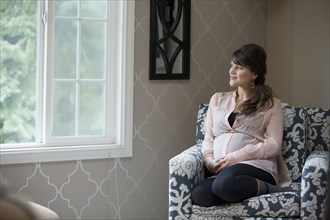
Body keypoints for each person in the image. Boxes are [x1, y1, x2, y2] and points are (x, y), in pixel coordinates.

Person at [191, 43, 291, 207]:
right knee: (199, 194)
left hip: (256, 167)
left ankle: (271, 189)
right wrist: (209, 161)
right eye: (232, 66)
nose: (231, 71)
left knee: (222, 185)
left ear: (254, 74)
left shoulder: (271, 104)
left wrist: (236, 157)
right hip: (224, 171)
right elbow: (208, 138)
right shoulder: (217, 99)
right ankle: (237, 189)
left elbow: (274, 144)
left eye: (238, 67)